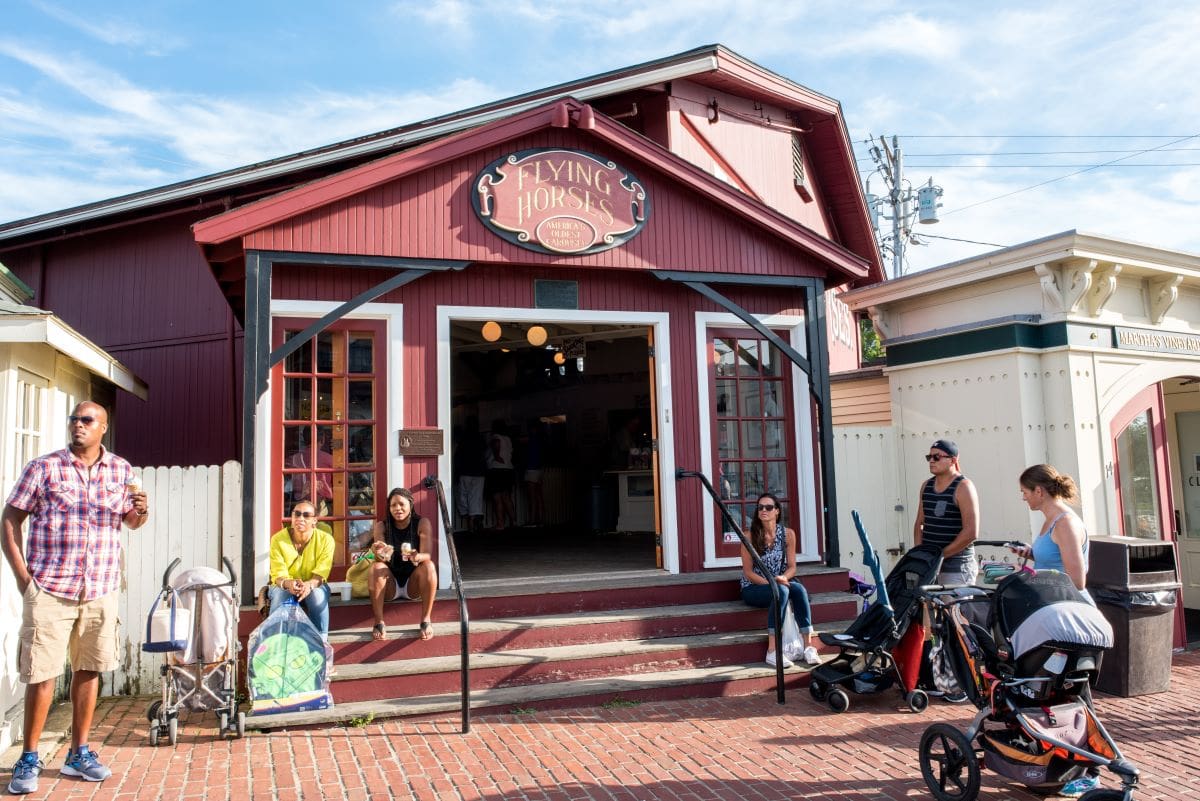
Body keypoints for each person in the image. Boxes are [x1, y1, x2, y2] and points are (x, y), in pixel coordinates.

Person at [1, 402, 149, 794]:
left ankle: (78, 753)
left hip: (99, 588)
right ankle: (29, 758)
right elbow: (10, 519)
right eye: (74, 419)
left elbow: (128, 521)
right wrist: (23, 580)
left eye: (87, 420)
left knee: (89, 670)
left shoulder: (120, 469)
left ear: (103, 428)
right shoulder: (44, 468)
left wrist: (140, 513)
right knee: (42, 674)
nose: (77, 425)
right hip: (50, 588)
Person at [1011, 463, 1101, 797]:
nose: (1023, 498)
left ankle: (1092, 769)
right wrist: (1030, 555)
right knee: (1060, 693)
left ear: (1040, 490)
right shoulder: (1050, 521)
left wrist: (1037, 579)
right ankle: (1064, 760)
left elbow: (1077, 579)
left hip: (1073, 619)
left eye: (1024, 492)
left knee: (1078, 697)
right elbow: (1055, 562)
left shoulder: (1064, 522)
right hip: (1054, 616)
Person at [739, 493, 819, 668]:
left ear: (777, 511)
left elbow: (792, 567)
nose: (763, 511)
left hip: (779, 582)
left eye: (768, 507)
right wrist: (772, 585)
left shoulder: (788, 534)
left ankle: (808, 646)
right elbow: (748, 573)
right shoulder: (749, 536)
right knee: (781, 591)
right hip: (755, 587)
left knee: (799, 589)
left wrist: (784, 577)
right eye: (760, 507)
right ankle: (772, 651)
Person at [368, 487, 438, 641]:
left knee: (429, 566)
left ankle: (426, 620)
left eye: (401, 504)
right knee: (376, 567)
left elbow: (427, 554)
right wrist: (378, 553)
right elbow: (380, 560)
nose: (397, 509)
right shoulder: (382, 526)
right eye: (393, 505)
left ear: (410, 505)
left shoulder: (421, 523)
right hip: (390, 586)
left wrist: (417, 556)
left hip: (412, 585)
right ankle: (379, 621)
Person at [913, 439, 980, 585]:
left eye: (936, 457)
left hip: (956, 568)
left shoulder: (964, 487)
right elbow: (919, 523)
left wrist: (941, 555)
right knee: (928, 608)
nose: (931, 460)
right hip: (929, 566)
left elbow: (971, 532)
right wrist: (920, 555)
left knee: (954, 608)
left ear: (953, 460)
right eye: (929, 457)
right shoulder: (926, 485)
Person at [267, 500, 335, 637]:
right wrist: (288, 584)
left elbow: (321, 573)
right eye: (297, 514)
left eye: (306, 515)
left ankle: (320, 641)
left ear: (315, 520)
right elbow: (278, 574)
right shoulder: (278, 539)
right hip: (283, 585)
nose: (300, 518)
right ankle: (274, 640)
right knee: (282, 594)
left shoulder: (326, 540)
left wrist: (308, 585)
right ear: (291, 517)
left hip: (314, 585)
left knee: (317, 595)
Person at [454, 418, 487, 532]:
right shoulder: (481, 438)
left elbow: (457, 457)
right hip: (479, 472)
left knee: (463, 496)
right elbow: (485, 453)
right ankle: (473, 520)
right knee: (475, 497)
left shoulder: (463, 439)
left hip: (465, 471)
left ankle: (468, 518)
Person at [485, 420, 516, 530]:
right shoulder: (508, 439)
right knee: (507, 497)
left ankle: (500, 523)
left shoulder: (496, 437)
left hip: (497, 470)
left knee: (497, 498)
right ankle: (513, 521)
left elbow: (496, 444)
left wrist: (497, 456)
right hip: (508, 469)